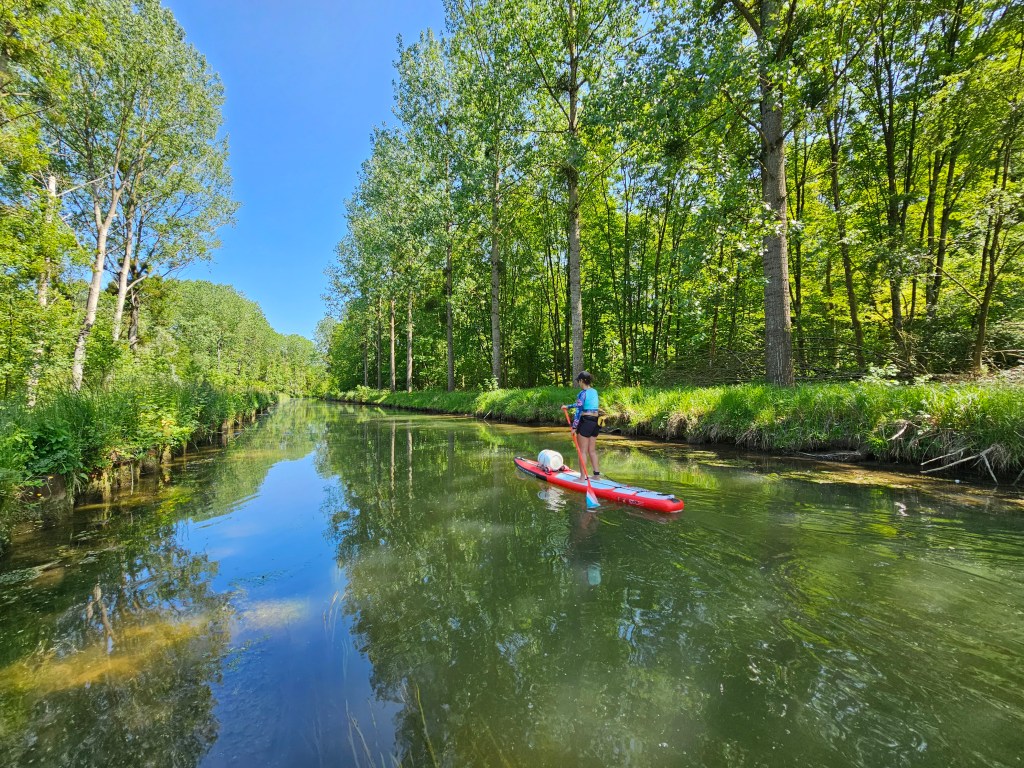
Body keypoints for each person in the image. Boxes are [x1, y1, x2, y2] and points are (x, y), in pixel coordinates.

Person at [564, 371, 601, 477]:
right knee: (592, 450)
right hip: (596, 421)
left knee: (582, 451)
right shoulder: (594, 391)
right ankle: (596, 476)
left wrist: (574, 427)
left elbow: (579, 411)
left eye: (578, 381)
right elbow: (581, 404)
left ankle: (582, 478)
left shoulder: (582, 393)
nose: (578, 383)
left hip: (586, 421)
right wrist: (569, 406)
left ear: (581, 381)